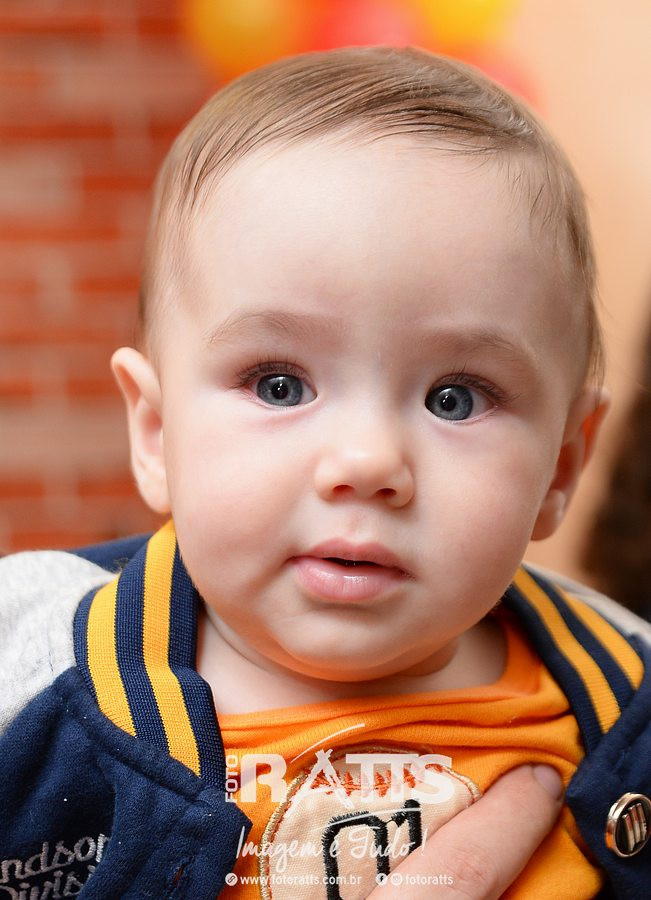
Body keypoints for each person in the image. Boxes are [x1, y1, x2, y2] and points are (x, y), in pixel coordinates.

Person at [1, 46, 650, 899]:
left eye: (454, 398)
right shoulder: (27, 668)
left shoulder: (625, 697)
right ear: (156, 432)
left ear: (561, 465)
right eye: (279, 384)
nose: (367, 461)